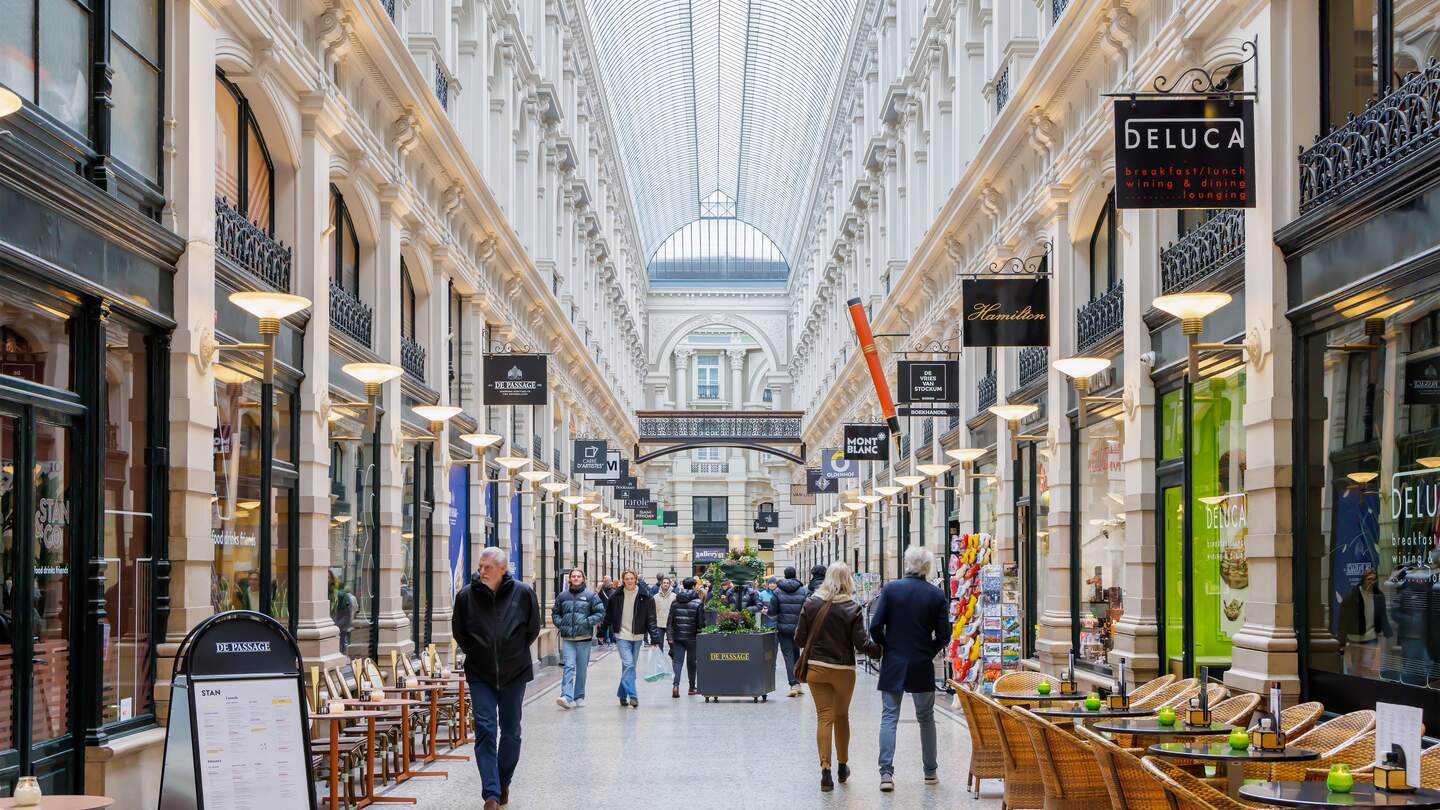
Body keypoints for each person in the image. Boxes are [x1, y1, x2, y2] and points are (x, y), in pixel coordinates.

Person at [452, 546, 541, 810]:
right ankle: (491, 793)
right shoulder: (466, 596)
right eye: (480, 567)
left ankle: (503, 781)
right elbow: (460, 632)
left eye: (487, 567)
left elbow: (532, 629)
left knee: (512, 732)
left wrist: (511, 652)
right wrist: (479, 653)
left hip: (515, 673)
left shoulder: (523, 593)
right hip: (480, 674)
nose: (482, 572)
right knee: (486, 729)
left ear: (503, 569)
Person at [795, 561, 882, 792]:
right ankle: (843, 767)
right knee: (841, 716)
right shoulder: (852, 607)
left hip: (816, 668)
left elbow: (799, 639)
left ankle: (825, 771)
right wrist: (882, 650)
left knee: (824, 717)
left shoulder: (811, 603)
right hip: (843, 670)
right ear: (848, 580)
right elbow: (862, 644)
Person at [868, 546, 949, 792]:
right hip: (921, 663)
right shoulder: (936, 595)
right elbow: (944, 634)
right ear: (927, 567)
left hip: (894, 662)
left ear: (907, 563)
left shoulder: (891, 590)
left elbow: (874, 626)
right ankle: (930, 772)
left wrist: (886, 646)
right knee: (926, 718)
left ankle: (886, 774)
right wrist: (929, 651)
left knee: (889, 717)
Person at [552, 568, 605, 709]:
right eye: (573, 576)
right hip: (568, 638)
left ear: (583, 578)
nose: (575, 578)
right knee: (568, 666)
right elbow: (555, 613)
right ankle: (566, 696)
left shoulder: (591, 596)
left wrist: (588, 622)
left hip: (584, 638)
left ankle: (579, 696)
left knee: (581, 669)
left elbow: (600, 612)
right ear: (570, 579)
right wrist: (561, 624)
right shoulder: (562, 596)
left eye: (578, 576)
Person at [604, 569, 657, 707]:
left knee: (628, 667)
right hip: (621, 635)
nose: (629, 581)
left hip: (638, 635)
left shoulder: (645, 596)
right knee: (629, 665)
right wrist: (601, 631)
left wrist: (655, 637)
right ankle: (633, 696)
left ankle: (622, 694)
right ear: (623, 580)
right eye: (626, 579)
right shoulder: (616, 596)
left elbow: (651, 618)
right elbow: (608, 616)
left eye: (631, 578)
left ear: (636, 580)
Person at [1339, 567, 1391, 679]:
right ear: (1363, 580)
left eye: (1374, 579)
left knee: (1368, 667)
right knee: (1355, 668)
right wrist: (1342, 641)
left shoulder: (1378, 595)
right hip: (1355, 637)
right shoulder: (1353, 596)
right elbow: (1344, 619)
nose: (1371, 582)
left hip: (1371, 637)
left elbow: (1383, 615)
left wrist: (1387, 632)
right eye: (1369, 579)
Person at [769, 566, 809, 697]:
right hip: (799, 628)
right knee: (797, 654)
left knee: (788, 655)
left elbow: (772, 611)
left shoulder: (778, 592)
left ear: (785, 576)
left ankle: (793, 684)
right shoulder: (803, 591)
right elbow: (807, 610)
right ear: (795, 575)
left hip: (783, 628)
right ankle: (797, 682)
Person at [668, 577, 704, 698]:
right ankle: (692, 688)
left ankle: (675, 686)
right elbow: (700, 624)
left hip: (678, 636)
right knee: (692, 662)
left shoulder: (675, 602)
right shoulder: (698, 603)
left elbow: (670, 621)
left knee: (678, 662)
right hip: (692, 637)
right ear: (694, 587)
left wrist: (670, 637)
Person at [330, 572, 357, 654]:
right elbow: (355, 608)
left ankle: (342, 648)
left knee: (342, 636)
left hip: (340, 622)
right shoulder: (352, 597)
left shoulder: (341, 596)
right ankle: (343, 648)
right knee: (344, 635)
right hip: (345, 621)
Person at [652, 576, 677, 655]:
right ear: (661, 584)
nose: (665, 584)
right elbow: (653, 612)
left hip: (671, 624)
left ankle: (673, 659)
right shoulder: (655, 597)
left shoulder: (674, 596)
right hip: (659, 624)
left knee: (673, 645)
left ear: (670, 584)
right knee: (659, 646)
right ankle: (660, 664)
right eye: (664, 583)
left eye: (667, 583)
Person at [596, 576, 617, 645]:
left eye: (605, 581)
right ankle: (610, 639)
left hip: (604, 610)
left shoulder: (601, 591)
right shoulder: (613, 591)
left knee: (605, 625)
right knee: (608, 625)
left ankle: (607, 639)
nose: (604, 582)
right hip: (607, 611)